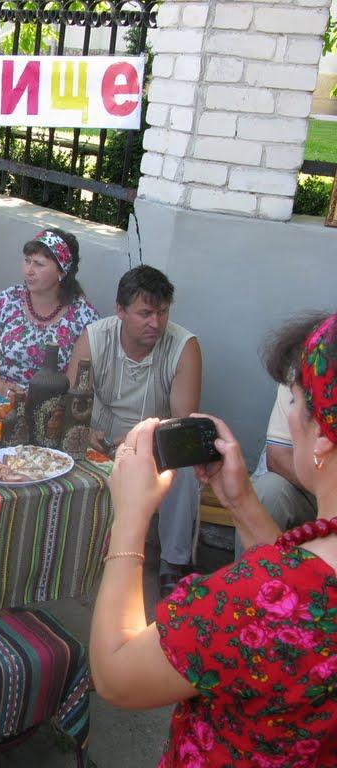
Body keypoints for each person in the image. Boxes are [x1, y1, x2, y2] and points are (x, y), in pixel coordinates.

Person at [90, 313, 337, 765]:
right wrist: (241, 501)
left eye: (296, 400)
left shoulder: (249, 602)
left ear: (322, 434)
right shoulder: (298, 583)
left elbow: (116, 673)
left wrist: (130, 515)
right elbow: (295, 588)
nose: (289, 413)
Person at [67, 265, 202, 596]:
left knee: (184, 464)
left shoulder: (184, 346)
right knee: (61, 444)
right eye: (145, 313)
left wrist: (140, 440)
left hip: (155, 441)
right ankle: (67, 556)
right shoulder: (95, 337)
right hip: (96, 436)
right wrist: (84, 432)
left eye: (162, 312)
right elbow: (70, 401)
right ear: (120, 310)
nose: (155, 323)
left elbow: (182, 421)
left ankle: (173, 565)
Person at [0, 227, 98, 396]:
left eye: (39, 264)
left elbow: (74, 386)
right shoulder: (6, 301)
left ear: (62, 271)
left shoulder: (84, 318)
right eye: (27, 261)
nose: (29, 270)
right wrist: (3, 390)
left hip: (51, 412)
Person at [237, 377, 321, 559]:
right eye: (294, 401)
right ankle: (251, 583)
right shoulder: (305, 364)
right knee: (270, 490)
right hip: (312, 490)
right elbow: (278, 456)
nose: (292, 415)